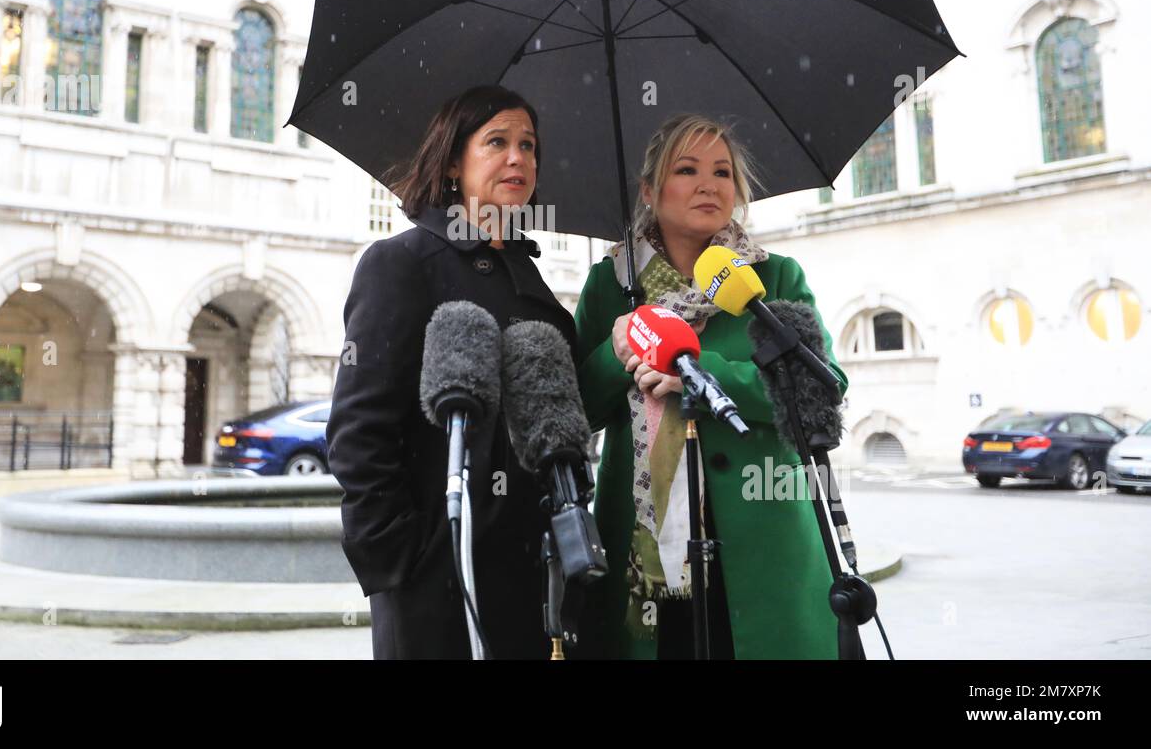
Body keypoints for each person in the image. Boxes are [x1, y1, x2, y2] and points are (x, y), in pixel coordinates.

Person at [573, 113, 849, 659]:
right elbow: (578, 408)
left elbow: (822, 389)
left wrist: (699, 373)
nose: (709, 184)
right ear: (650, 190)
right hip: (644, 551)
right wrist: (617, 350)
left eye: (723, 172)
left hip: (763, 541)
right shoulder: (611, 283)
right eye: (687, 169)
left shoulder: (774, 277)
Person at [326, 84, 576, 659]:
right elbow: (358, 434)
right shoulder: (401, 265)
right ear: (454, 160)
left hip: (536, 571)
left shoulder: (536, 289)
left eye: (529, 145)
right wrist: (402, 559)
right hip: (436, 576)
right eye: (497, 142)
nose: (519, 158)